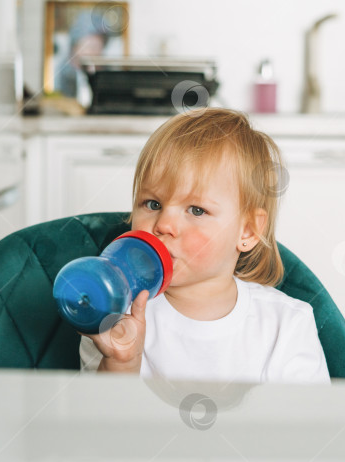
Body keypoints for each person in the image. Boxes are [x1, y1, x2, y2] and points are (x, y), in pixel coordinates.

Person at [79, 108, 331, 385]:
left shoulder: (287, 326)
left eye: (196, 210)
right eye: (153, 204)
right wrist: (120, 362)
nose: (164, 224)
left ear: (247, 230)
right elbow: (104, 424)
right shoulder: (114, 314)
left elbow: (308, 426)